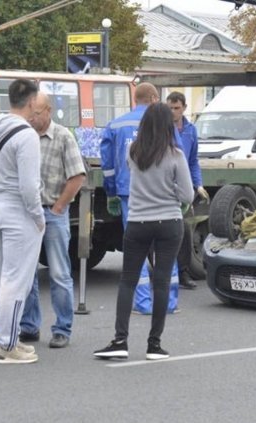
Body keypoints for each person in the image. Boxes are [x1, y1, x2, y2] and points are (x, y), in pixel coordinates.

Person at [94, 102, 193, 360]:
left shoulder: (132, 151)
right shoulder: (176, 156)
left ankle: (120, 340)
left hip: (138, 222)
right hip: (169, 222)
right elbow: (187, 194)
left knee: (128, 280)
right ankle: (154, 345)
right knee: (161, 282)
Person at [0, 78, 44, 364]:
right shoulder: (26, 135)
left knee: (7, 275)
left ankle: (8, 338)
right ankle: (7, 345)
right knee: (17, 280)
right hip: (19, 211)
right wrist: (38, 216)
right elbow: (29, 185)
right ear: (31, 103)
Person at [100, 83, 181, 315]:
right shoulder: (164, 124)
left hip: (129, 194)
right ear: (154, 98)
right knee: (166, 250)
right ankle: (169, 303)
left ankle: (143, 303)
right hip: (164, 195)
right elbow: (178, 154)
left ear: (135, 99)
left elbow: (107, 165)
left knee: (136, 249)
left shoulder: (116, 125)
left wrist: (111, 193)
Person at [18, 92, 86, 349]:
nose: (31, 118)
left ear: (48, 111)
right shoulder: (25, 137)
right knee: (27, 274)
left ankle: (62, 329)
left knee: (59, 273)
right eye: (29, 113)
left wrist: (58, 207)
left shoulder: (63, 137)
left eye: (35, 113)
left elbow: (77, 177)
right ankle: (29, 326)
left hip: (52, 212)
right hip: (27, 213)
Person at [166, 91, 209, 290]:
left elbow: (193, 161)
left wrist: (198, 184)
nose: (173, 112)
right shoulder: (163, 129)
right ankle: (166, 271)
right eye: (170, 108)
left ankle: (182, 272)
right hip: (166, 185)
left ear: (184, 108)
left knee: (184, 231)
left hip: (184, 186)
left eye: (176, 108)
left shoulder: (190, 130)